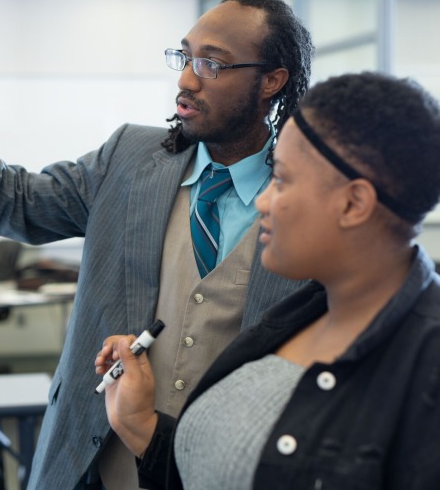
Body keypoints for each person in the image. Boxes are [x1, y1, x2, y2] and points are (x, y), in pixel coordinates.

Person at [0, 0, 314, 489]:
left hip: (227, 472)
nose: (185, 79)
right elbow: (18, 203)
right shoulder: (129, 157)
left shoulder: (308, 205)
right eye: (185, 57)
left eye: (212, 64)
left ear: (272, 81)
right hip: (92, 468)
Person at [100, 71, 440, 490]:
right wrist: (140, 424)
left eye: (281, 179)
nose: (262, 201)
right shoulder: (296, 317)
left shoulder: (426, 370)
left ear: (353, 203)